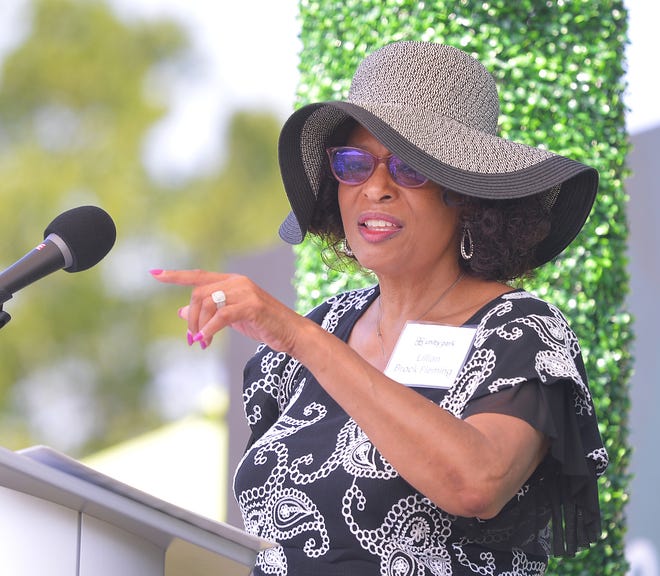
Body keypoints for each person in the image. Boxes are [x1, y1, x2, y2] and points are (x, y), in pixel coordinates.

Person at [151, 41, 608, 576]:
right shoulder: (314, 334)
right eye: (354, 164)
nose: (376, 189)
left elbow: (476, 482)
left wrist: (300, 338)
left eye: (409, 168)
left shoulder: (519, 332)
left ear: (466, 194)